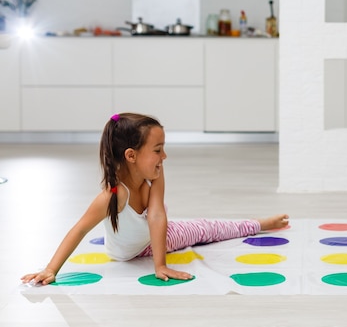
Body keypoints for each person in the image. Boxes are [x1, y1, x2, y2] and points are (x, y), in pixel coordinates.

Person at [22, 113, 289, 285]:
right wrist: (50, 269)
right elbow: (78, 229)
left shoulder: (155, 176)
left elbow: (157, 215)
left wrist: (160, 265)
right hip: (131, 250)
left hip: (154, 240)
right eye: (158, 150)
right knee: (202, 228)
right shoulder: (112, 196)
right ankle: (256, 223)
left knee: (207, 228)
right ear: (131, 155)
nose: (164, 157)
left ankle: (258, 224)